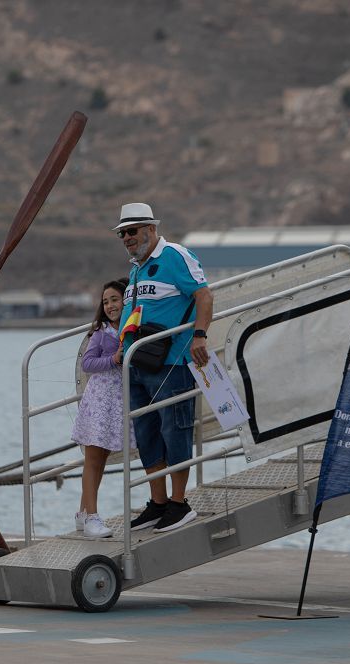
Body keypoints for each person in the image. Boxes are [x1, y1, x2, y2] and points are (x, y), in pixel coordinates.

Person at [116, 202, 213, 533]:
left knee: (175, 429)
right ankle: (158, 503)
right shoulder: (136, 268)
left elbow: (203, 296)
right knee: (146, 434)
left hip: (170, 361)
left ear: (151, 229)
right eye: (122, 234)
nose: (127, 238)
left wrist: (199, 336)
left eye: (132, 231)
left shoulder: (174, 255)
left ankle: (179, 502)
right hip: (137, 362)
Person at [71, 278, 135, 538]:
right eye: (105, 302)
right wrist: (113, 359)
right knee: (93, 459)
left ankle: (82, 513)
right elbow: (87, 363)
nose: (110, 306)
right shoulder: (101, 332)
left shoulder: (132, 328)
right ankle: (91, 517)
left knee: (102, 458)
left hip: (117, 402)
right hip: (100, 400)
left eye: (115, 300)